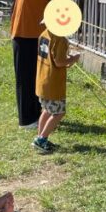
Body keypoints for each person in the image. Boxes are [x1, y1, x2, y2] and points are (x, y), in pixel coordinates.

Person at [10, 0, 66, 129]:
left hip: (42, 33)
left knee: (39, 77)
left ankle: (39, 113)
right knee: (25, 78)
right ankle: (26, 120)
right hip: (24, 32)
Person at [32, 22, 80, 154]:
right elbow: (59, 62)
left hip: (42, 80)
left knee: (46, 110)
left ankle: (39, 137)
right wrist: (74, 58)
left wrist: (67, 60)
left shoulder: (44, 34)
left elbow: (53, 59)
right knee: (59, 113)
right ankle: (42, 139)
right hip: (53, 83)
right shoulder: (60, 39)